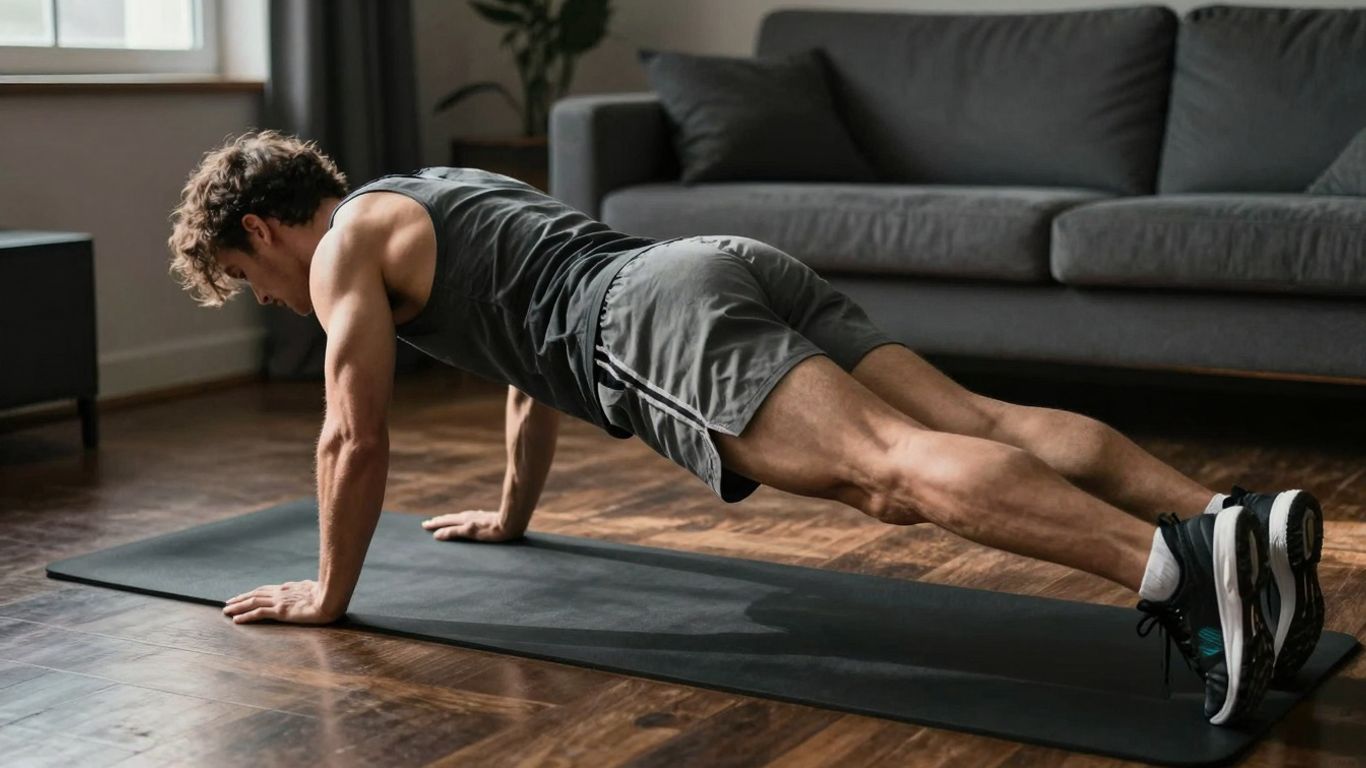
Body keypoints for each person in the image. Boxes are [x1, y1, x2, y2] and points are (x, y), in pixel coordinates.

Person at [167, 130, 1324, 726]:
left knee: (887, 477)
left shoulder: (340, 256)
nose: (267, 299)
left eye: (244, 276)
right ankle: (1230, 525)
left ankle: (1170, 574)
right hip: (715, 263)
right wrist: (515, 512)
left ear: (266, 228)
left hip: (646, 314)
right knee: (977, 417)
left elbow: (347, 440)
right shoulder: (432, 190)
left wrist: (329, 592)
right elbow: (521, 362)